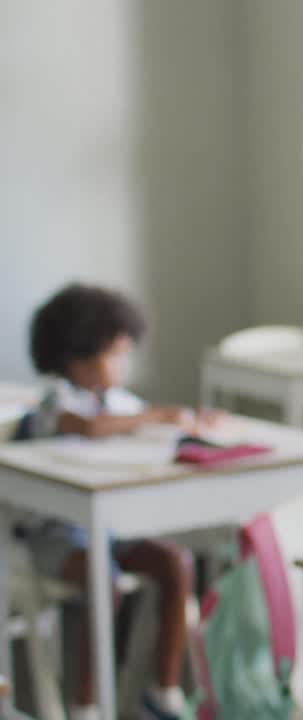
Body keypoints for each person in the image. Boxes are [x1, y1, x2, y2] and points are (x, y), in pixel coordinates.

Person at [19, 283, 207, 720]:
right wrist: (157, 415)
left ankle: (162, 691)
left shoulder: (119, 403)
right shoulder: (55, 398)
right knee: (102, 580)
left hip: (110, 528)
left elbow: (138, 423)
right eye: (116, 353)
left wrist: (189, 422)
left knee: (175, 563)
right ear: (77, 356)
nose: (124, 364)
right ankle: (87, 704)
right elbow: (89, 427)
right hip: (54, 534)